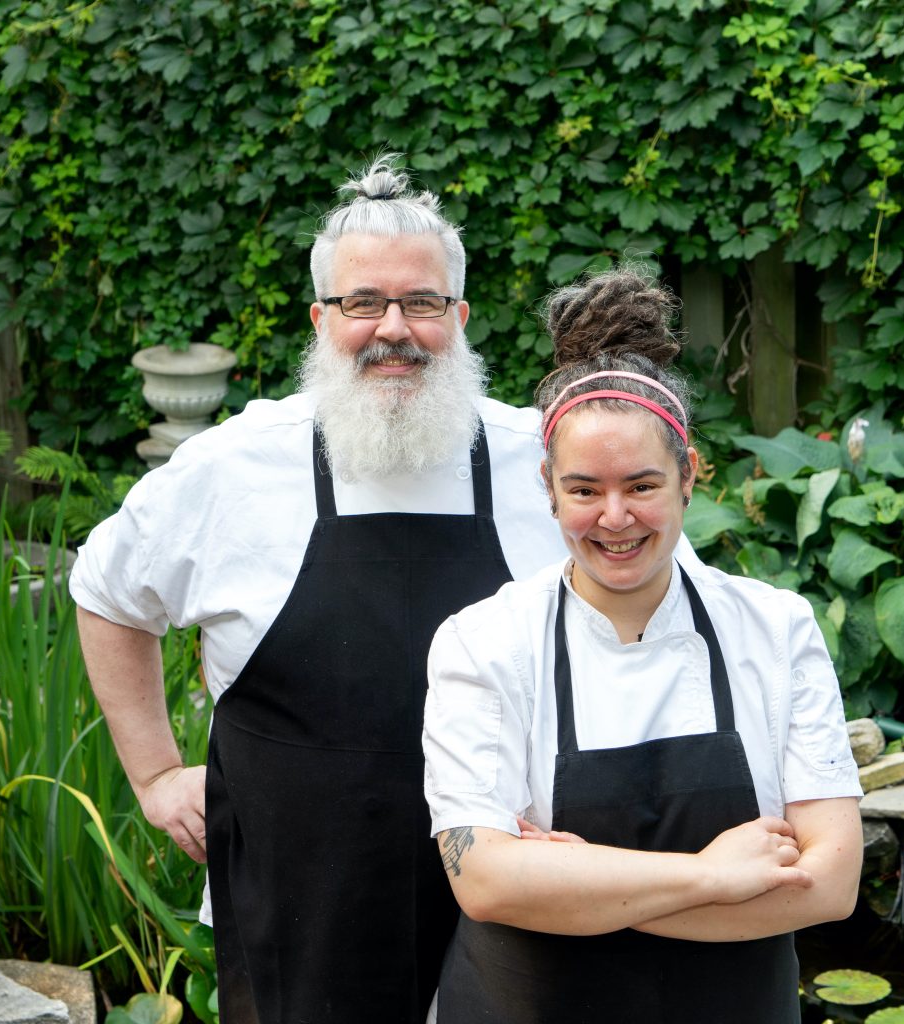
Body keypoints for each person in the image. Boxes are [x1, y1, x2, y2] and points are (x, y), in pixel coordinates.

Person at [69, 152, 588, 1023]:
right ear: (321, 318)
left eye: (422, 303)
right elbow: (109, 593)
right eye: (363, 304)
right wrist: (157, 774)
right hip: (299, 901)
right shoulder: (234, 466)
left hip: (516, 887)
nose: (394, 328)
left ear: (459, 317)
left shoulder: (542, 456)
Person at [422, 266, 864, 1023]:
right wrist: (715, 875)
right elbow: (488, 883)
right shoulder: (483, 642)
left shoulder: (774, 629)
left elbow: (830, 883)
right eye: (585, 489)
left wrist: (572, 883)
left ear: (689, 475)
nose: (615, 517)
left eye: (642, 485)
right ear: (550, 488)